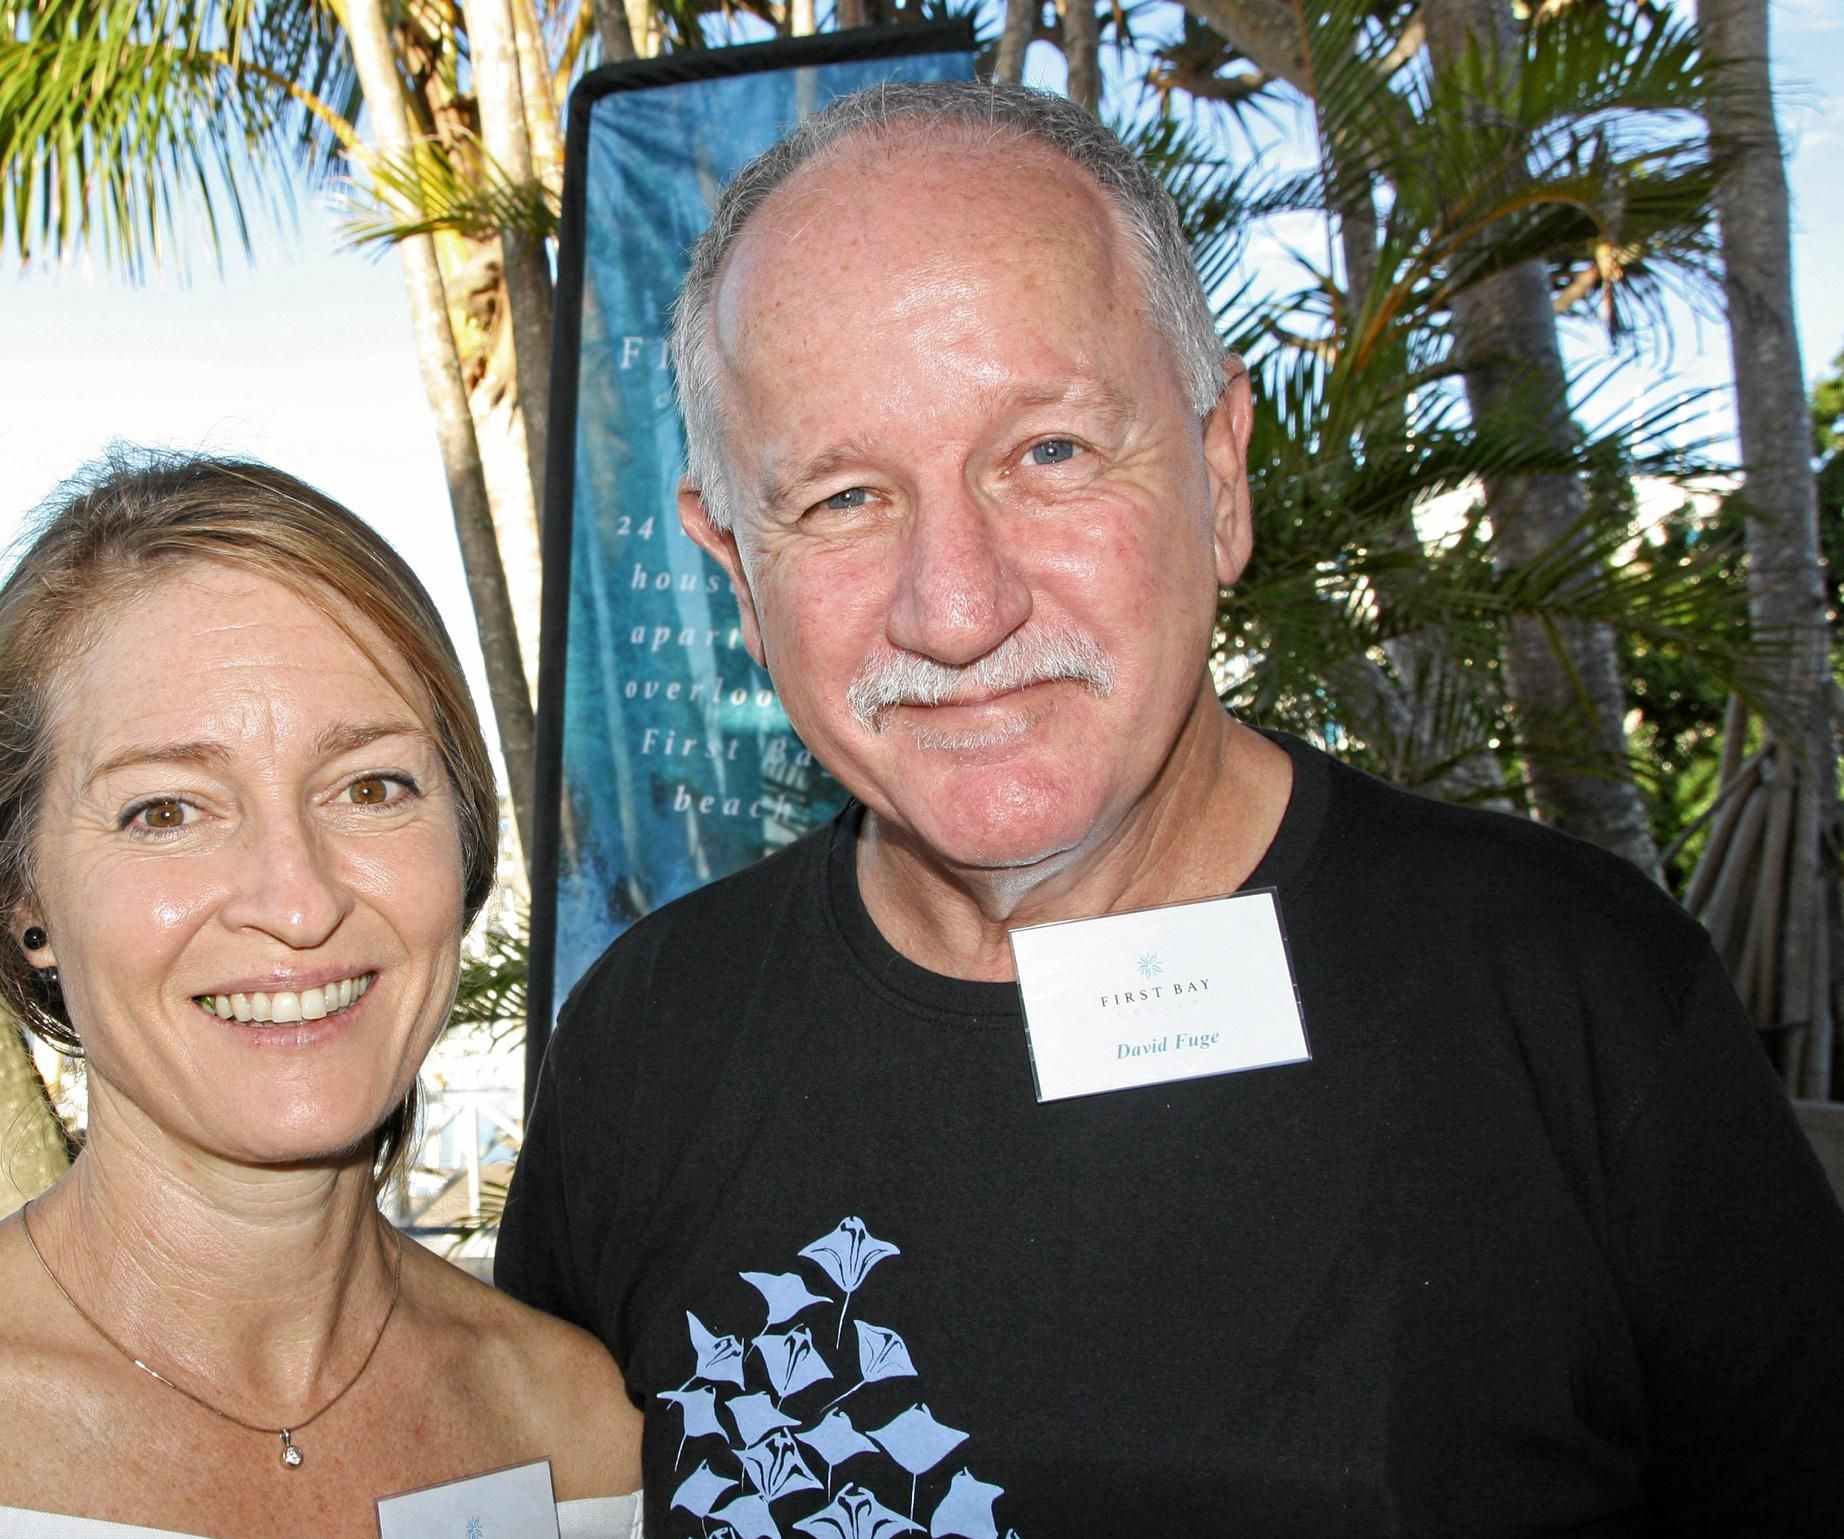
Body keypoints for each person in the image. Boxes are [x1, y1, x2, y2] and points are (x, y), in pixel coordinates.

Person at [495, 79, 1844, 1536]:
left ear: (1219, 470)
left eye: (1051, 454)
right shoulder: (643, 1044)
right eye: (841, 498)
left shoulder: (1574, 993)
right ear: (731, 558)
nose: (956, 607)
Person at [0, 452, 642, 1537]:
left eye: (371, 786)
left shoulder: (576, 1433)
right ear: (24, 899)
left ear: (467, 838)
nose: (296, 901)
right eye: (166, 811)